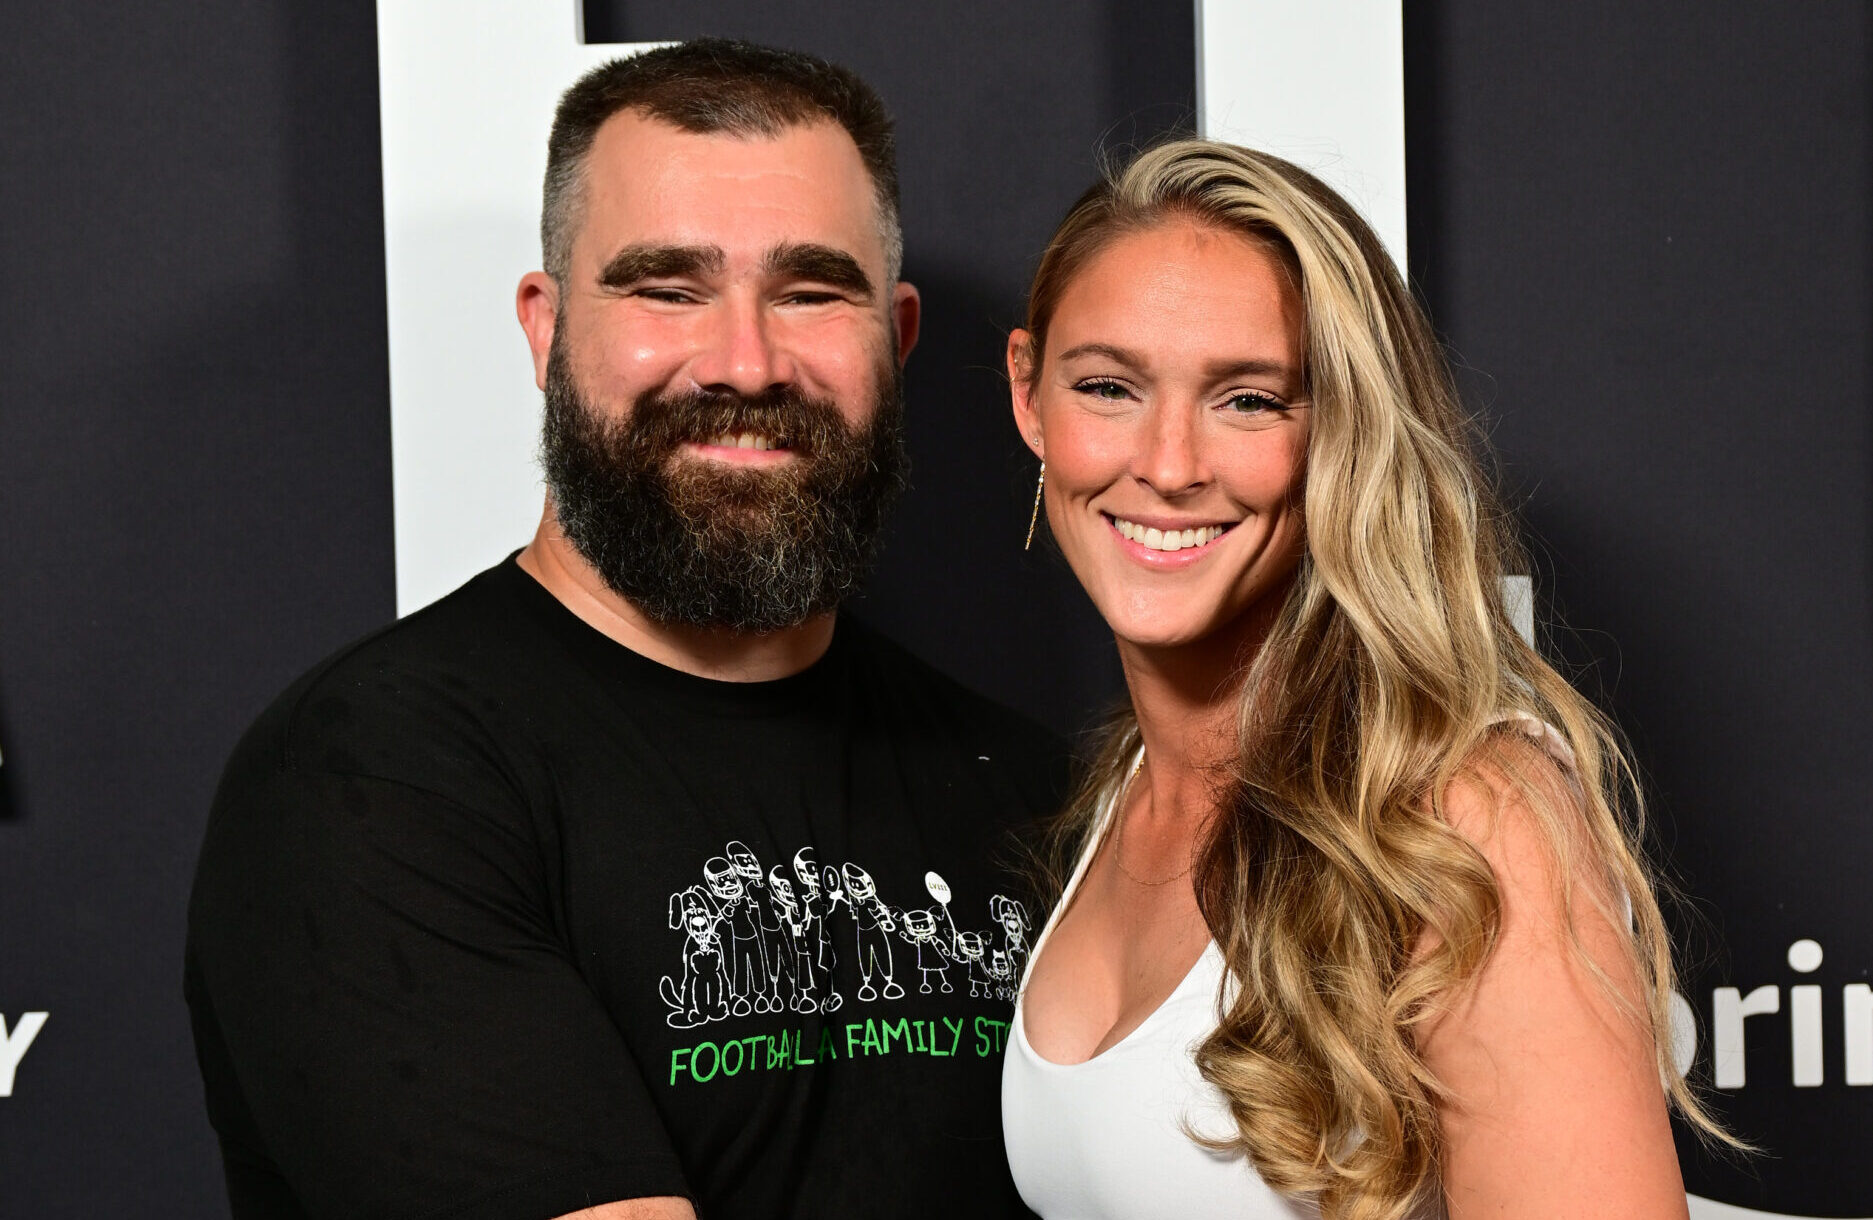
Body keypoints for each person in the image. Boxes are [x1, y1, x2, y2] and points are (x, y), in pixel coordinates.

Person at [185, 40, 1067, 1220]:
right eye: (666, 288)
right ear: (546, 331)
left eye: (810, 290)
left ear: (894, 341)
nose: (745, 362)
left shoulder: (1032, 783)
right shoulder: (372, 777)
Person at [998, 139, 1729, 1219]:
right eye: (1107, 386)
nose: (1164, 463)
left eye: (1247, 400)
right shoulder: (1122, 797)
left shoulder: (1468, 811)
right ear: (1029, 396)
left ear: (1344, 429)